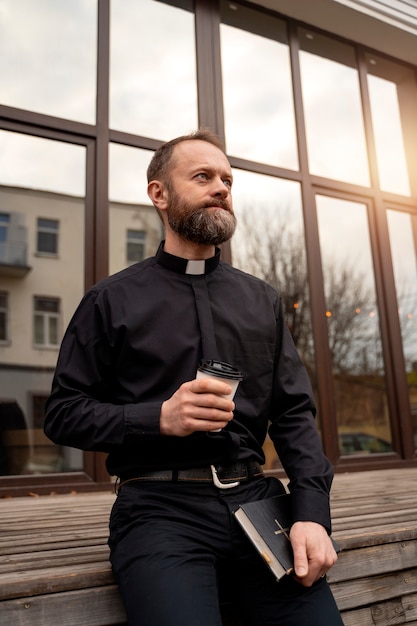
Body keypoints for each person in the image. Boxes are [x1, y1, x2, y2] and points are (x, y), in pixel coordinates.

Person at [44, 129, 343, 626]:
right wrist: (157, 417)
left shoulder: (262, 300)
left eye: (227, 179)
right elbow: (63, 413)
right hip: (159, 511)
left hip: (259, 504)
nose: (222, 187)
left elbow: (293, 415)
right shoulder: (111, 300)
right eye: (203, 177)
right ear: (159, 194)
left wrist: (311, 511)